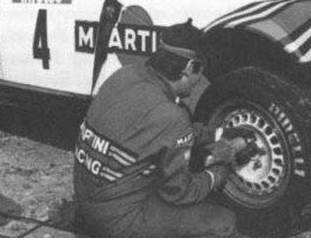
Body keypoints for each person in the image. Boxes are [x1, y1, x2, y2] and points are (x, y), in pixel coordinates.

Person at [73, 20, 254, 237]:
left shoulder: (123, 76)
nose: (199, 80)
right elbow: (180, 192)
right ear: (189, 67)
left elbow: (157, 132)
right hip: (119, 221)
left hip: (87, 201)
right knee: (223, 221)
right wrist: (218, 171)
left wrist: (218, 134)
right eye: (200, 72)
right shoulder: (171, 116)